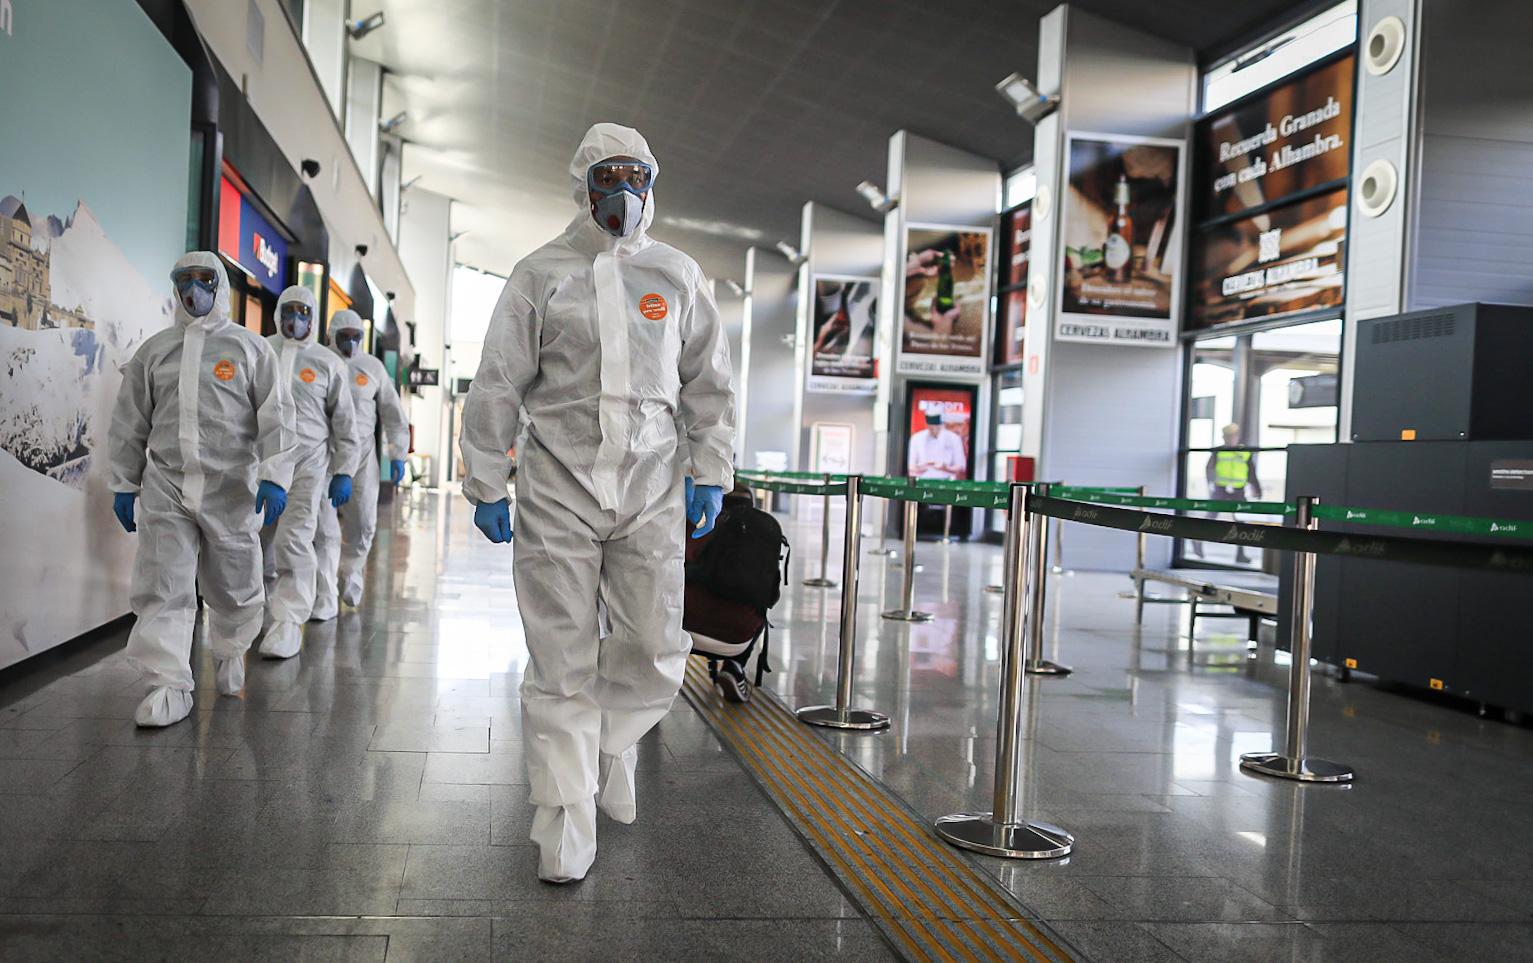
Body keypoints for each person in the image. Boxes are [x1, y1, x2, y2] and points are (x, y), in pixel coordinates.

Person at [459, 123, 734, 884]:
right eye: (608, 176)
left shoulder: (676, 273)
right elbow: (497, 381)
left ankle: (606, 743)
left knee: (653, 648)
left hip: (649, 489)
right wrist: (485, 477)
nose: (623, 192)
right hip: (556, 488)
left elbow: (709, 382)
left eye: (637, 176)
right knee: (560, 655)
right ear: (582, 183)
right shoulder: (538, 273)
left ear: (652, 184)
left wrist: (710, 469)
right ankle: (564, 814)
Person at [108, 252, 296, 728]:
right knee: (162, 582)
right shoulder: (154, 352)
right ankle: (168, 683)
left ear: (221, 286)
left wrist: (275, 475)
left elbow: (277, 418)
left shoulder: (252, 350)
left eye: (204, 280)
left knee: (235, 580)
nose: (194, 290)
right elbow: (130, 421)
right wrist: (125, 482)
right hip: (167, 484)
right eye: (184, 280)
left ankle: (232, 648)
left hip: (231, 486)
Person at [257, 285, 359, 657]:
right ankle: (263, 611)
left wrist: (345, 470)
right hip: (262, 463)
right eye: (288, 311)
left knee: (294, 538)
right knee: (255, 541)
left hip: (308, 464)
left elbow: (345, 424)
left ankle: (287, 622)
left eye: (302, 312)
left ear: (313, 318)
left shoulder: (327, 363)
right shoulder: (260, 350)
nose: (294, 320)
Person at [311, 309, 409, 618]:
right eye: (345, 337)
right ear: (331, 336)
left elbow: (393, 414)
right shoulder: (317, 360)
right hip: (323, 455)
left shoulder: (372, 367)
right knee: (321, 528)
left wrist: (398, 453)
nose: (351, 343)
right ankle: (322, 593)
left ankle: (351, 572)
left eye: (356, 338)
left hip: (363, 459)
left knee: (363, 521)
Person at [1194, 423, 1263, 564]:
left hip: (1238, 490)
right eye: (1228, 436)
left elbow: (1251, 472)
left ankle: (1240, 554)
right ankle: (1198, 541)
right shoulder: (1219, 451)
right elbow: (1210, 469)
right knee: (1211, 517)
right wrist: (1210, 485)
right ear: (1224, 437)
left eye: (1233, 436)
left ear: (1237, 436)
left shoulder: (1245, 452)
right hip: (1220, 489)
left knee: (1241, 522)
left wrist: (1257, 488)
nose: (1230, 439)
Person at [907, 410, 965, 480]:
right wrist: (921, 468)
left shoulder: (954, 439)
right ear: (927, 425)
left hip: (947, 482)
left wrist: (946, 468)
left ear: (943, 424)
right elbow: (910, 466)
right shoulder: (916, 438)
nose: (934, 429)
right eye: (931, 427)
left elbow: (960, 467)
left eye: (937, 427)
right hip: (922, 481)